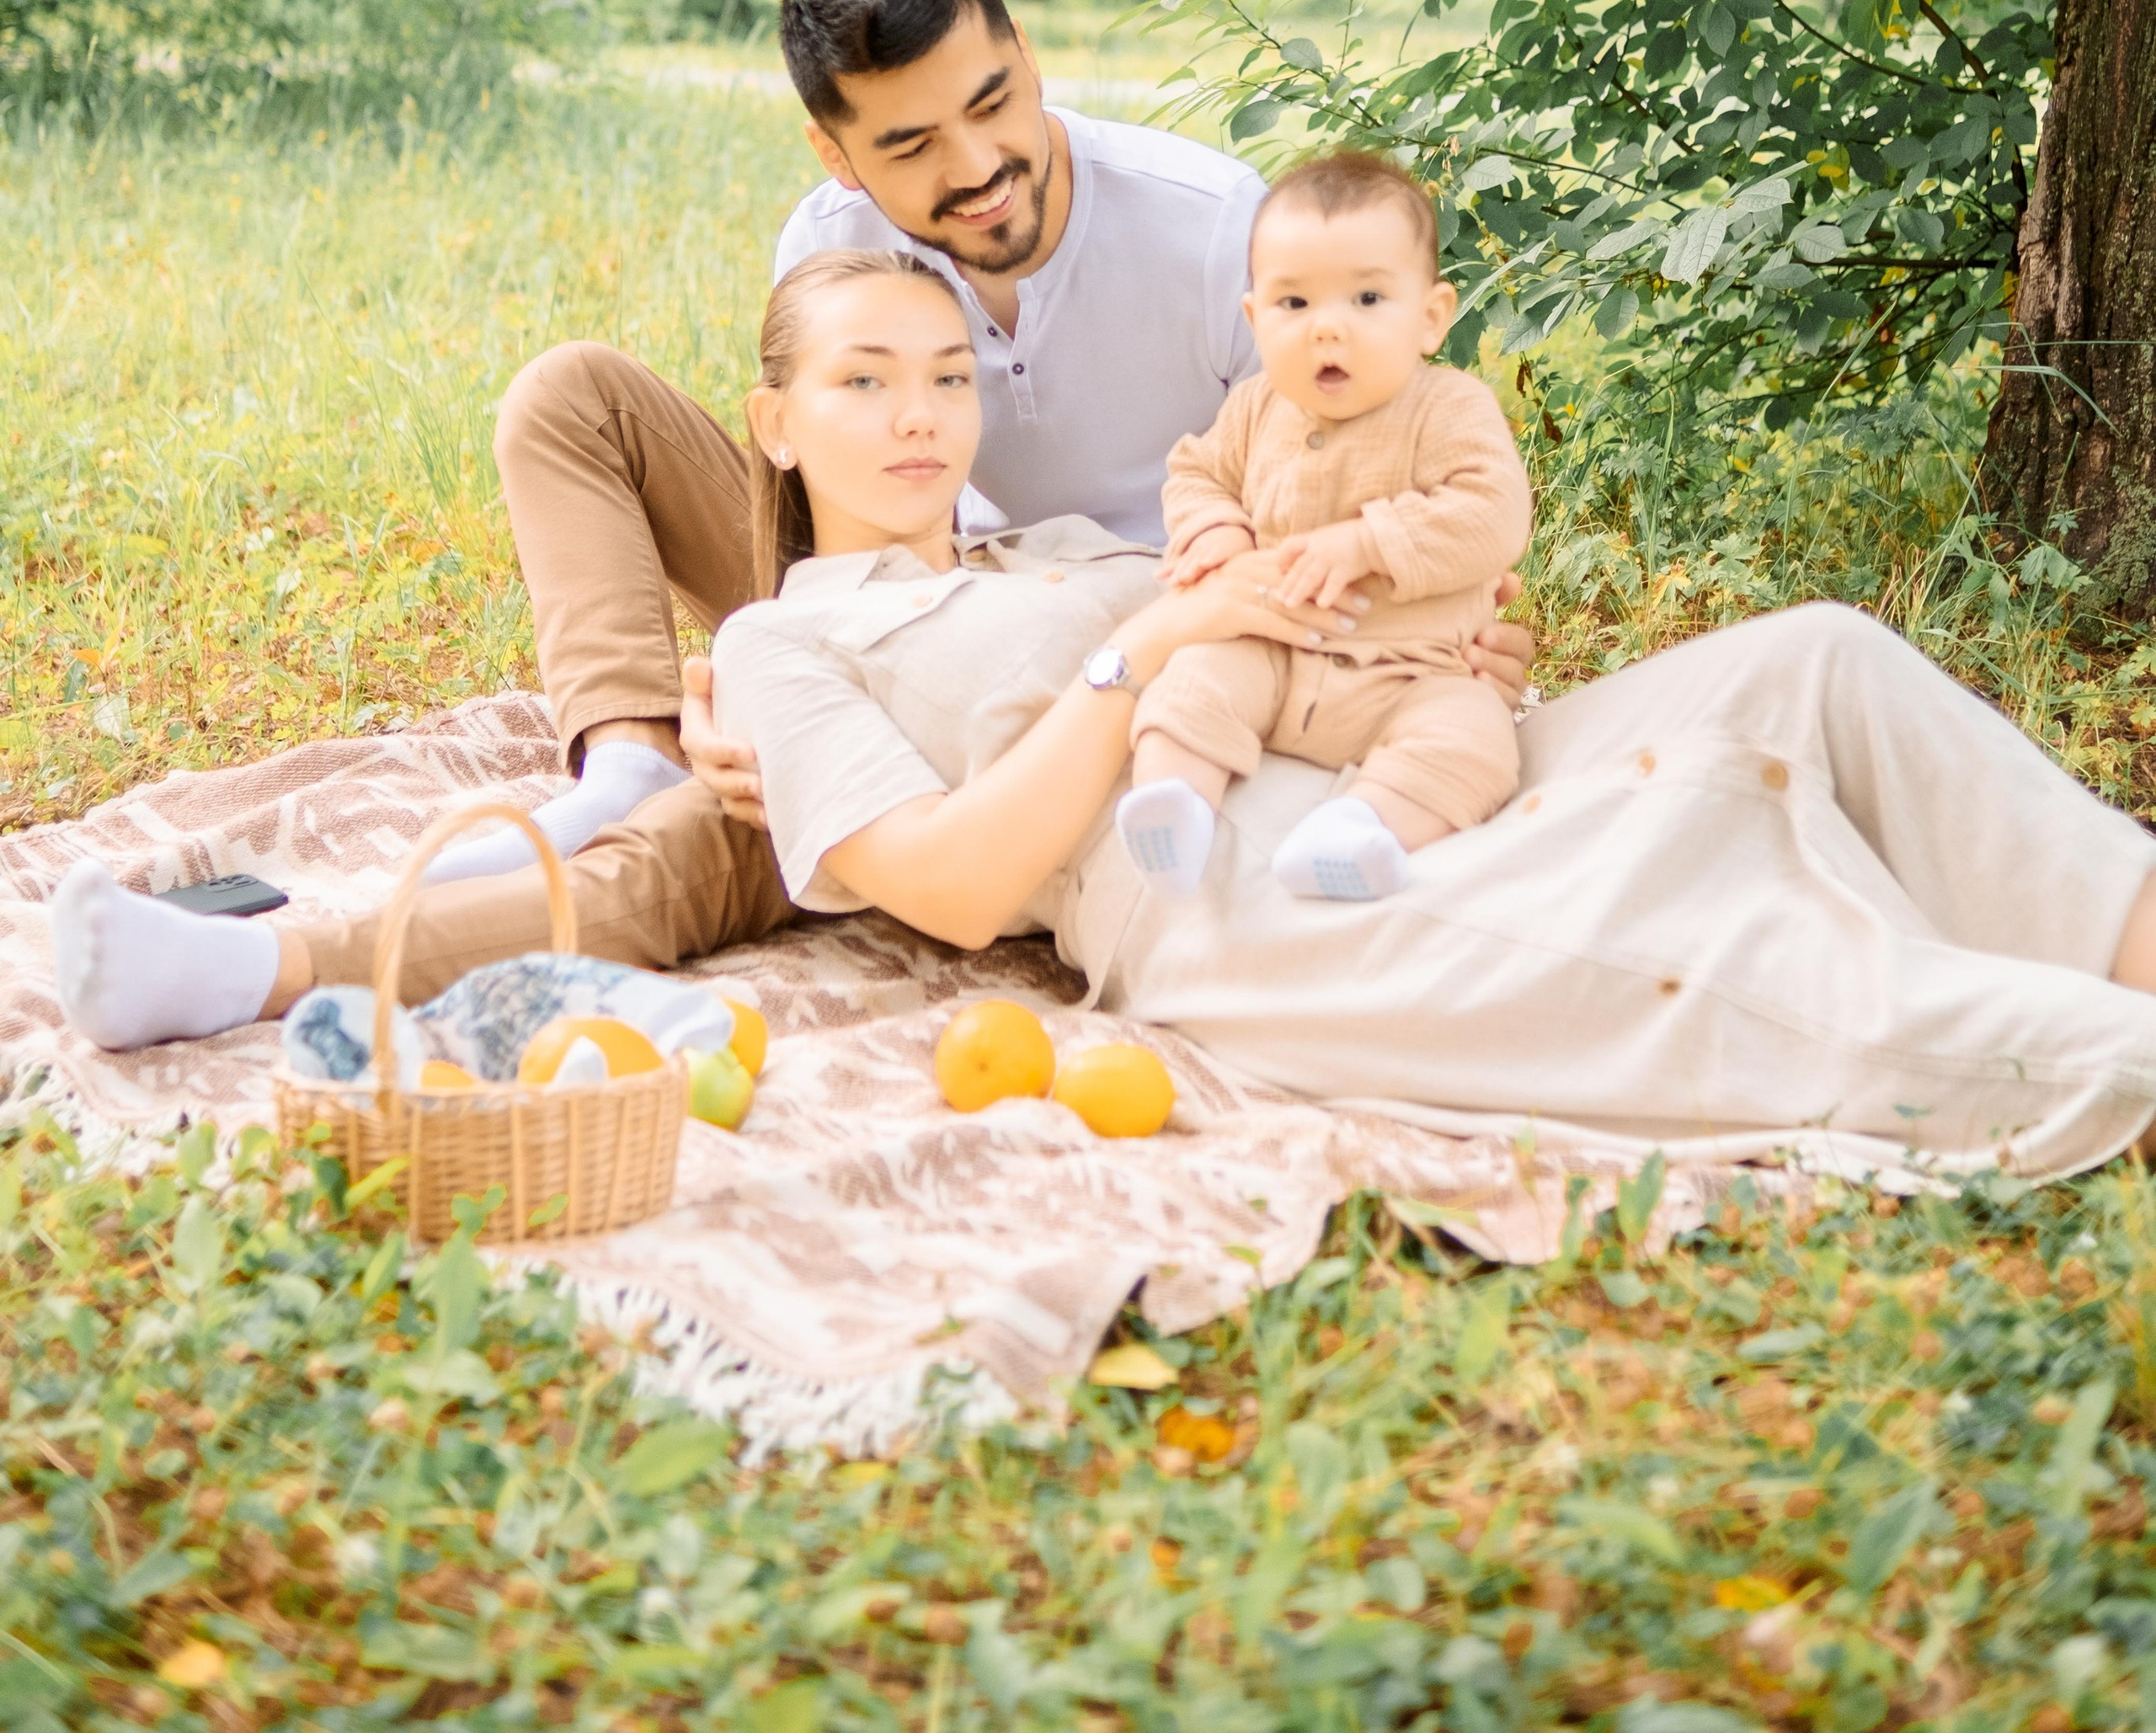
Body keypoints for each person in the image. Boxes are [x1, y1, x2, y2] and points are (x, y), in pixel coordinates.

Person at [53, 258, 2156, 1190]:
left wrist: (1385, 611)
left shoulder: (1049, 535)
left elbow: (1331, 569)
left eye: (944, 375)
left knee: (1805, 656)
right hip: (1240, 882)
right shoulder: (790, 645)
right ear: (774, 423)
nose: (913, 415)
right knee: (1750, 958)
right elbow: (961, 888)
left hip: (1395, 760)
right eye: (862, 381)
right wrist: (1142, 652)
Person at [412, 0, 1282, 904]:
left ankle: (309, 959)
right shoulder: (834, 241)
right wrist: (725, 684)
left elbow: (1314, 509)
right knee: (572, 395)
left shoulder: (1216, 229)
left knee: (716, 852)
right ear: (837, 154)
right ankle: (631, 763)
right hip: (906, 588)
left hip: (1137, 631)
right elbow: (827, 519)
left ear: (1027, 57)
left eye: (993, 104)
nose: (978, 169)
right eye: (911, 147)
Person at [1120, 148, 1532, 908]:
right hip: (1273, 651)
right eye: (1295, 305)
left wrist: (1371, 542)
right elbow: (1196, 473)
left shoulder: (1449, 408)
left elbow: (1494, 512)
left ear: (1431, 317)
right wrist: (1217, 532)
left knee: (1474, 741)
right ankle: (1175, 807)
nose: (1327, 331)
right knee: (1191, 684)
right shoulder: (1253, 408)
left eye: (1368, 299)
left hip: (1415, 674)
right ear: (1254, 317)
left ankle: (1361, 826)